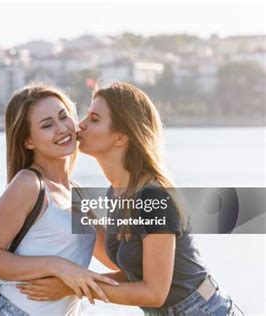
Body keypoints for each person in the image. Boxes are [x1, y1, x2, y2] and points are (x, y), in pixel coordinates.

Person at [18, 83, 243, 315]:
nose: (80, 124)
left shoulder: (152, 197)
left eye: (94, 119)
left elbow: (154, 293)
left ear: (120, 137)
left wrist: (73, 288)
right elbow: (129, 269)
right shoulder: (118, 192)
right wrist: (73, 214)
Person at [0, 84, 119, 316]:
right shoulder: (28, 184)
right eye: (47, 125)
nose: (62, 128)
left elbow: (115, 260)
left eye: (64, 116)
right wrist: (57, 266)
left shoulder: (77, 195)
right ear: (28, 141)